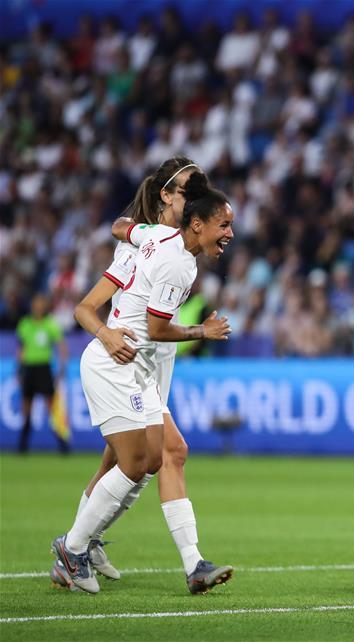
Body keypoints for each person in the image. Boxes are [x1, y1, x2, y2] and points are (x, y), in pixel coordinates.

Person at [50, 158, 234, 595]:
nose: (195, 196)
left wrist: (132, 226)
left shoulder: (153, 236)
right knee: (136, 460)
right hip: (129, 360)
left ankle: (88, 544)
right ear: (169, 198)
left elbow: (123, 227)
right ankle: (77, 545)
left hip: (146, 361)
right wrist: (199, 332)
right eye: (189, 190)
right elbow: (141, 322)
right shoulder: (169, 256)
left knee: (155, 458)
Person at [15, 293, 69, 454]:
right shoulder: (25, 324)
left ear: (44, 307)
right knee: (26, 408)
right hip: (29, 369)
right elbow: (21, 349)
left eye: (41, 305)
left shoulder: (50, 324)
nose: (38, 308)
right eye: (36, 305)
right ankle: (23, 446)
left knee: (51, 408)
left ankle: (62, 444)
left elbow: (62, 347)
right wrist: (19, 369)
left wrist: (61, 367)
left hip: (44, 369)